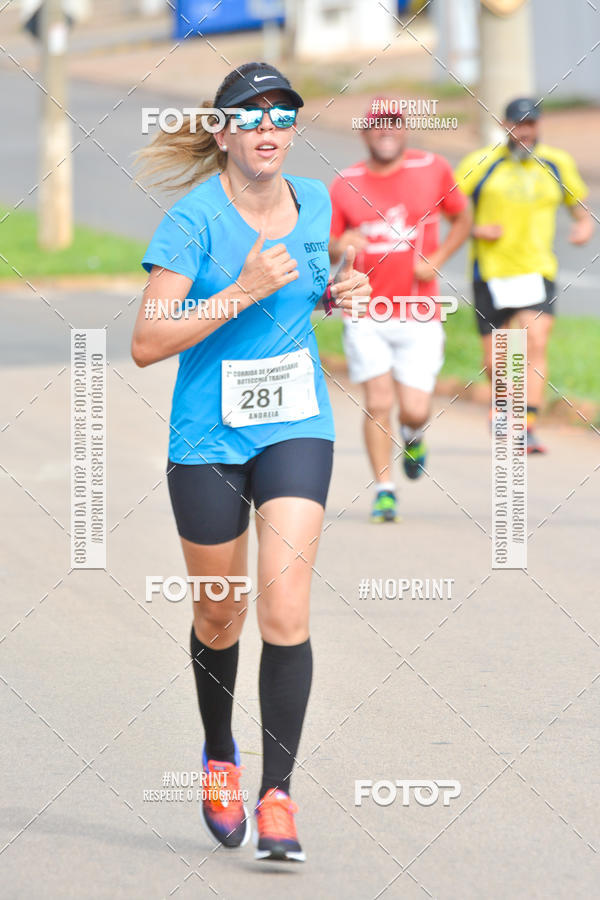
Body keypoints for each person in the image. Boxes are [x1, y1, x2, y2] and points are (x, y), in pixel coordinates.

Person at [132, 62, 370, 862]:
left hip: (296, 421)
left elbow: (310, 283)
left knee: (286, 609)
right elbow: (146, 343)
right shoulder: (192, 222)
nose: (269, 129)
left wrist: (337, 292)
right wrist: (235, 290)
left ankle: (278, 796)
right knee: (220, 614)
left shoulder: (316, 199)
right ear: (224, 131)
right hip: (207, 437)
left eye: (283, 115)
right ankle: (220, 755)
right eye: (252, 116)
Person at [329, 99, 471, 523]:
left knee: (413, 408)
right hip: (365, 310)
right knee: (377, 401)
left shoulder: (433, 168)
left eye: (393, 125)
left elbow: (462, 219)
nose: (385, 132)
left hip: (418, 310)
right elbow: (331, 243)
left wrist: (438, 258)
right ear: (364, 133)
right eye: (377, 126)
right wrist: (343, 244)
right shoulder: (345, 183)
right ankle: (384, 490)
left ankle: (413, 434)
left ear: (405, 130)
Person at [455, 97, 594, 453]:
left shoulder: (556, 163)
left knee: (536, 341)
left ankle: (527, 424)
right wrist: (474, 229)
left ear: (539, 126)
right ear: (505, 126)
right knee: (497, 356)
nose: (525, 132)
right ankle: (502, 407)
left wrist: (583, 227)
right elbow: (450, 207)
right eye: (518, 125)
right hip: (491, 271)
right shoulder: (480, 164)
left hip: (536, 269)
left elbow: (579, 207)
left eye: (531, 124)